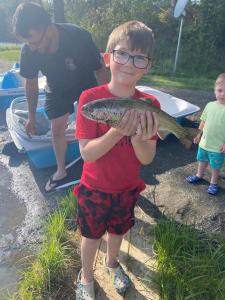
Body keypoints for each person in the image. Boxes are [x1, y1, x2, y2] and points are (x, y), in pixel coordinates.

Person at [74, 20, 160, 299]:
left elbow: (147, 159)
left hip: (127, 188)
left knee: (118, 232)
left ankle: (112, 264)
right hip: (93, 188)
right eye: (122, 53)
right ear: (108, 58)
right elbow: (87, 153)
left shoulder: (151, 106)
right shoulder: (90, 99)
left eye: (139, 57)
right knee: (90, 237)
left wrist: (137, 137)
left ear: (147, 65)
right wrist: (116, 132)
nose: (129, 63)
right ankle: (86, 275)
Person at [12, 2, 108, 192]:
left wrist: (104, 103)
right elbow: (31, 85)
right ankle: (61, 170)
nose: (31, 48)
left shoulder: (78, 36)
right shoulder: (29, 51)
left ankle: (97, 160)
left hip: (85, 84)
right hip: (56, 86)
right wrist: (31, 117)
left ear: (47, 28)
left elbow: (100, 70)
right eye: (27, 43)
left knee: (93, 123)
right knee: (57, 128)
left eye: (33, 42)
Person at [186, 73, 225, 195]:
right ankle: (199, 175)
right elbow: (203, 121)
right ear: (214, 90)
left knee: (215, 166)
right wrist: (198, 134)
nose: (223, 94)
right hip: (204, 143)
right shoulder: (210, 105)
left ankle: (213, 183)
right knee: (202, 160)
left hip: (218, 146)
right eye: (220, 90)